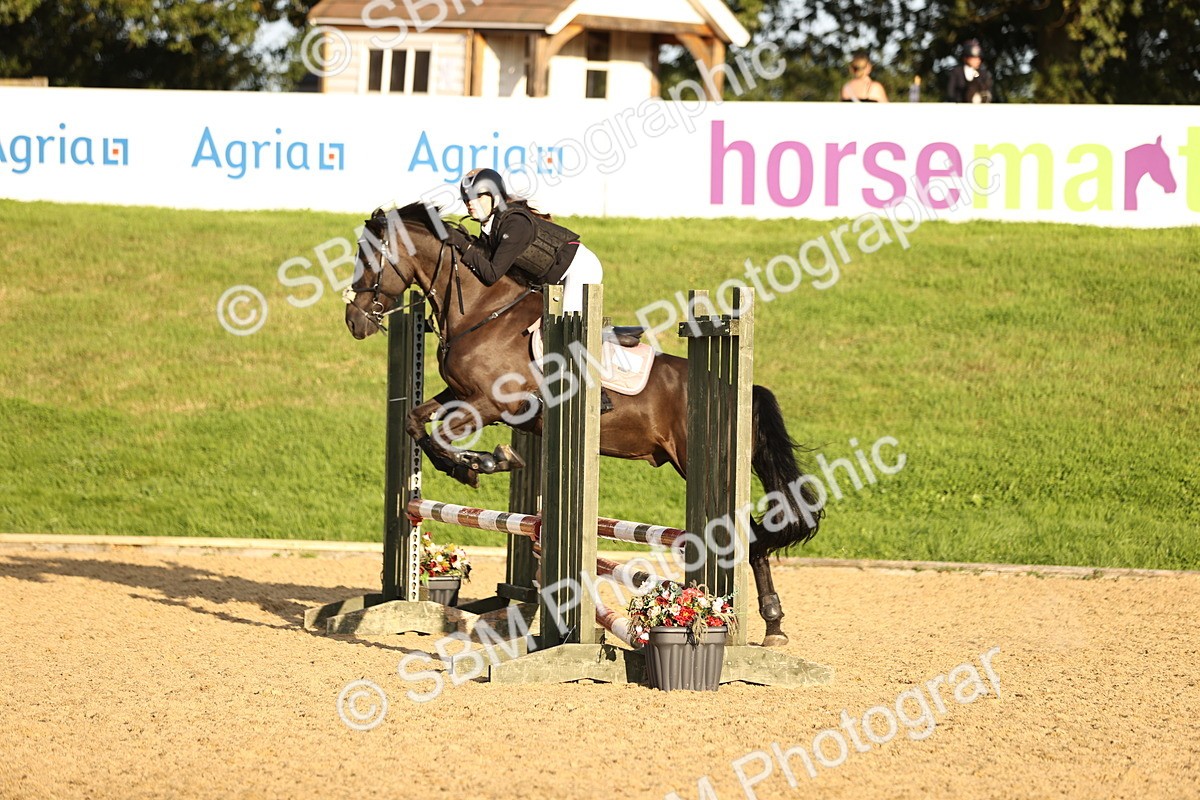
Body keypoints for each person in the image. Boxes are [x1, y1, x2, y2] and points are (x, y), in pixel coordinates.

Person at [442, 168, 603, 314]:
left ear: (496, 197)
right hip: (552, 278)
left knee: (564, 327)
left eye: (477, 196)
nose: (470, 202)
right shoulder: (489, 228)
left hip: (578, 268)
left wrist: (462, 244)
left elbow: (491, 274)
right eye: (466, 198)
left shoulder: (514, 224)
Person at [946, 39, 993, 103]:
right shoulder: (956, 72)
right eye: (974, 58)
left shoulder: (983, 73)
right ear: (966, 58)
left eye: (978, 58)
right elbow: (950, 92)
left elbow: (988, 91)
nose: (978, 60)